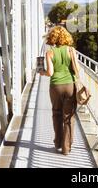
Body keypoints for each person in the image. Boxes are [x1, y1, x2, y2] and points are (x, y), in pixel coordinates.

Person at [40, 26, 80, 155]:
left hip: (55, 86)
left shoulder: (49, 52)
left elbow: (50, 72)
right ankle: (66, 148)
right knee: (68, 117)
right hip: (70, 85)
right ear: (65, 36)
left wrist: (42, 72)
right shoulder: (71, 50)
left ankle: (57, 142)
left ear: (52, 37)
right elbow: (77, 69)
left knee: (56, 114)